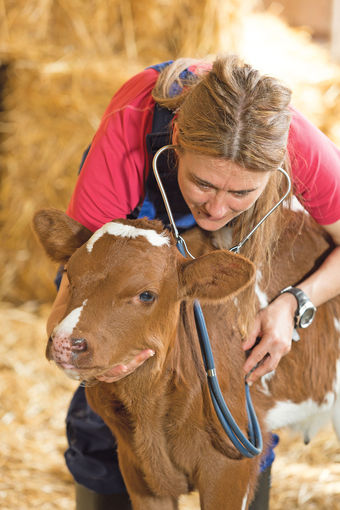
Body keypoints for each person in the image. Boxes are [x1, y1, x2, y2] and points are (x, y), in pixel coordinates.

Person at [47, 56, 340, 510]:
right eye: (205, 183)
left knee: (235, 395)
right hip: (139, 218)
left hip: (228, 248)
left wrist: (293, 302)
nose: (218, 208)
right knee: (104, 407)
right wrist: (79, 350)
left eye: (242, 192)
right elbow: (83, 280)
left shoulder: (299, 144)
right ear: (178, 146)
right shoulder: (130, 133)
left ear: (276, 170)